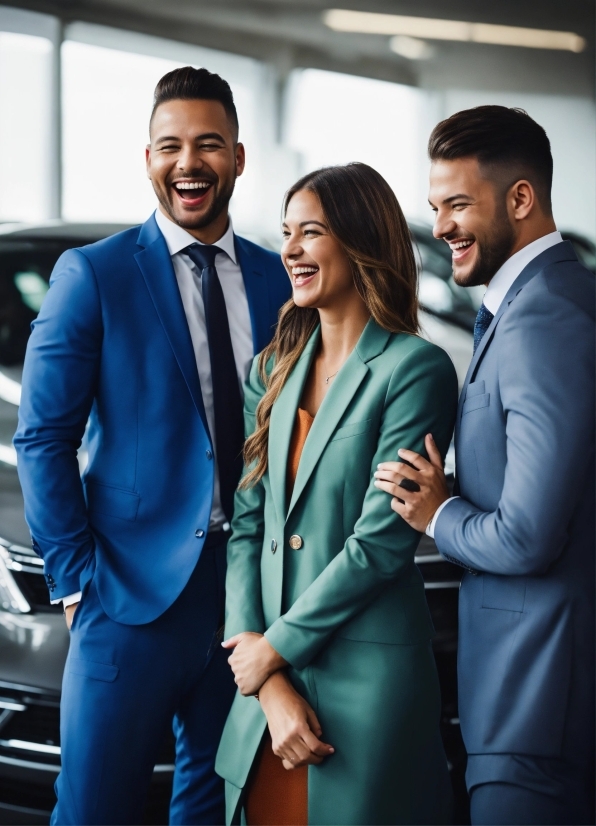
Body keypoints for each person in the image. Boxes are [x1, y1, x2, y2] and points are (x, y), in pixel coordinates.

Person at [14, 66, 290, 825]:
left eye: (208, 144)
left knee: (214, 806)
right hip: (126, 599)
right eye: (170, 145)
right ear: (148, 159)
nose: (188, 162)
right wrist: (75, 585)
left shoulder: (277, 281)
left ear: (238, 156)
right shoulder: (94, 275)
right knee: (94, 809)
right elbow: (42, 437)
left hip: (246, 604)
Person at [214, 163, 458, 825]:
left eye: (311, 232)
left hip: (364, 687)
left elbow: (379, 545)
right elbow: (245, 526)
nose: (289, 249)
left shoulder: (414, 369)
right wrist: (264, 677)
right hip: (267, 692)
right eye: (287, 231)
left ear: (359, 242)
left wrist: (274, 650)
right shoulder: (268, 369)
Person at [374, 106, 595, 825]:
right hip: (535, 699)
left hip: (535, 702)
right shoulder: (552, 298)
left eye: (458, 204)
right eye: (436, 207)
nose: (440, 227)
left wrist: (438, 512)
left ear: (521, 199)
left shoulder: (544, 318)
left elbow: (528, 536)